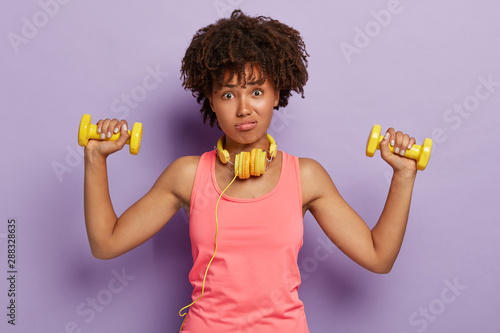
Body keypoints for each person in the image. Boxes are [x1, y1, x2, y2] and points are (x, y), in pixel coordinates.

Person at [83, 10, 419, 333]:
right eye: (228, 94)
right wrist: (95, 159)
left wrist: (404, 175)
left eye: (256, 92)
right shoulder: (186, 175)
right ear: (212, 101)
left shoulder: (306, 177)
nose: (244, 109)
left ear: (276, 94)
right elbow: (106, 244)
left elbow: (378, 257)